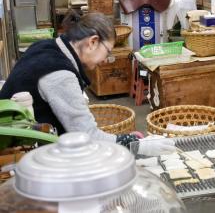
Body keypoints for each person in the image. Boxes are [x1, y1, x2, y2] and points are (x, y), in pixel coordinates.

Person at [0, 10, 175, 156]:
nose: (105, 60)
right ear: (92, 42)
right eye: (107, 53)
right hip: (18, 154)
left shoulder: (46, 46)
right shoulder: (60, 75)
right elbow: (88, 137)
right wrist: (136, 145)